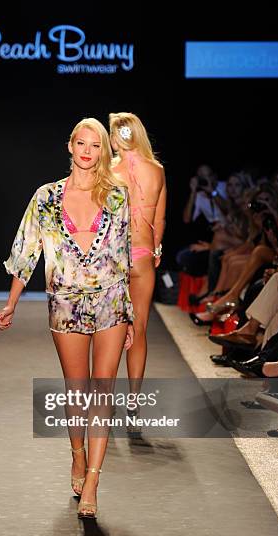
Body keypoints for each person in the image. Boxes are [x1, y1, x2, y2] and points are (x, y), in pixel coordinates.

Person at [0, 118, 135, 519]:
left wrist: (129, 311)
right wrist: (11, 303)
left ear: (104, 152)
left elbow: (124, 256)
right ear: (69, 146)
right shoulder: (46, 197)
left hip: (110, 301)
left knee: (102, 392)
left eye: (96, 145)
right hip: (66, 302)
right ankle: (77, 455)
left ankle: (92, 480)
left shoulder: (117, 197)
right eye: (81, 143)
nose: (88, 151)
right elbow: (27, 249)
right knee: (77, 393)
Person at [108, 112, 166, 387]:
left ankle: (103, 398)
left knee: (110, 331)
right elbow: (159, 221)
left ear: (114, 137)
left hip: (112, 260)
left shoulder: (108, 171)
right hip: (143, 257)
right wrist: (156, 250)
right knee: (139, 329)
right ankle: (134, 400)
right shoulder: (157, 170)